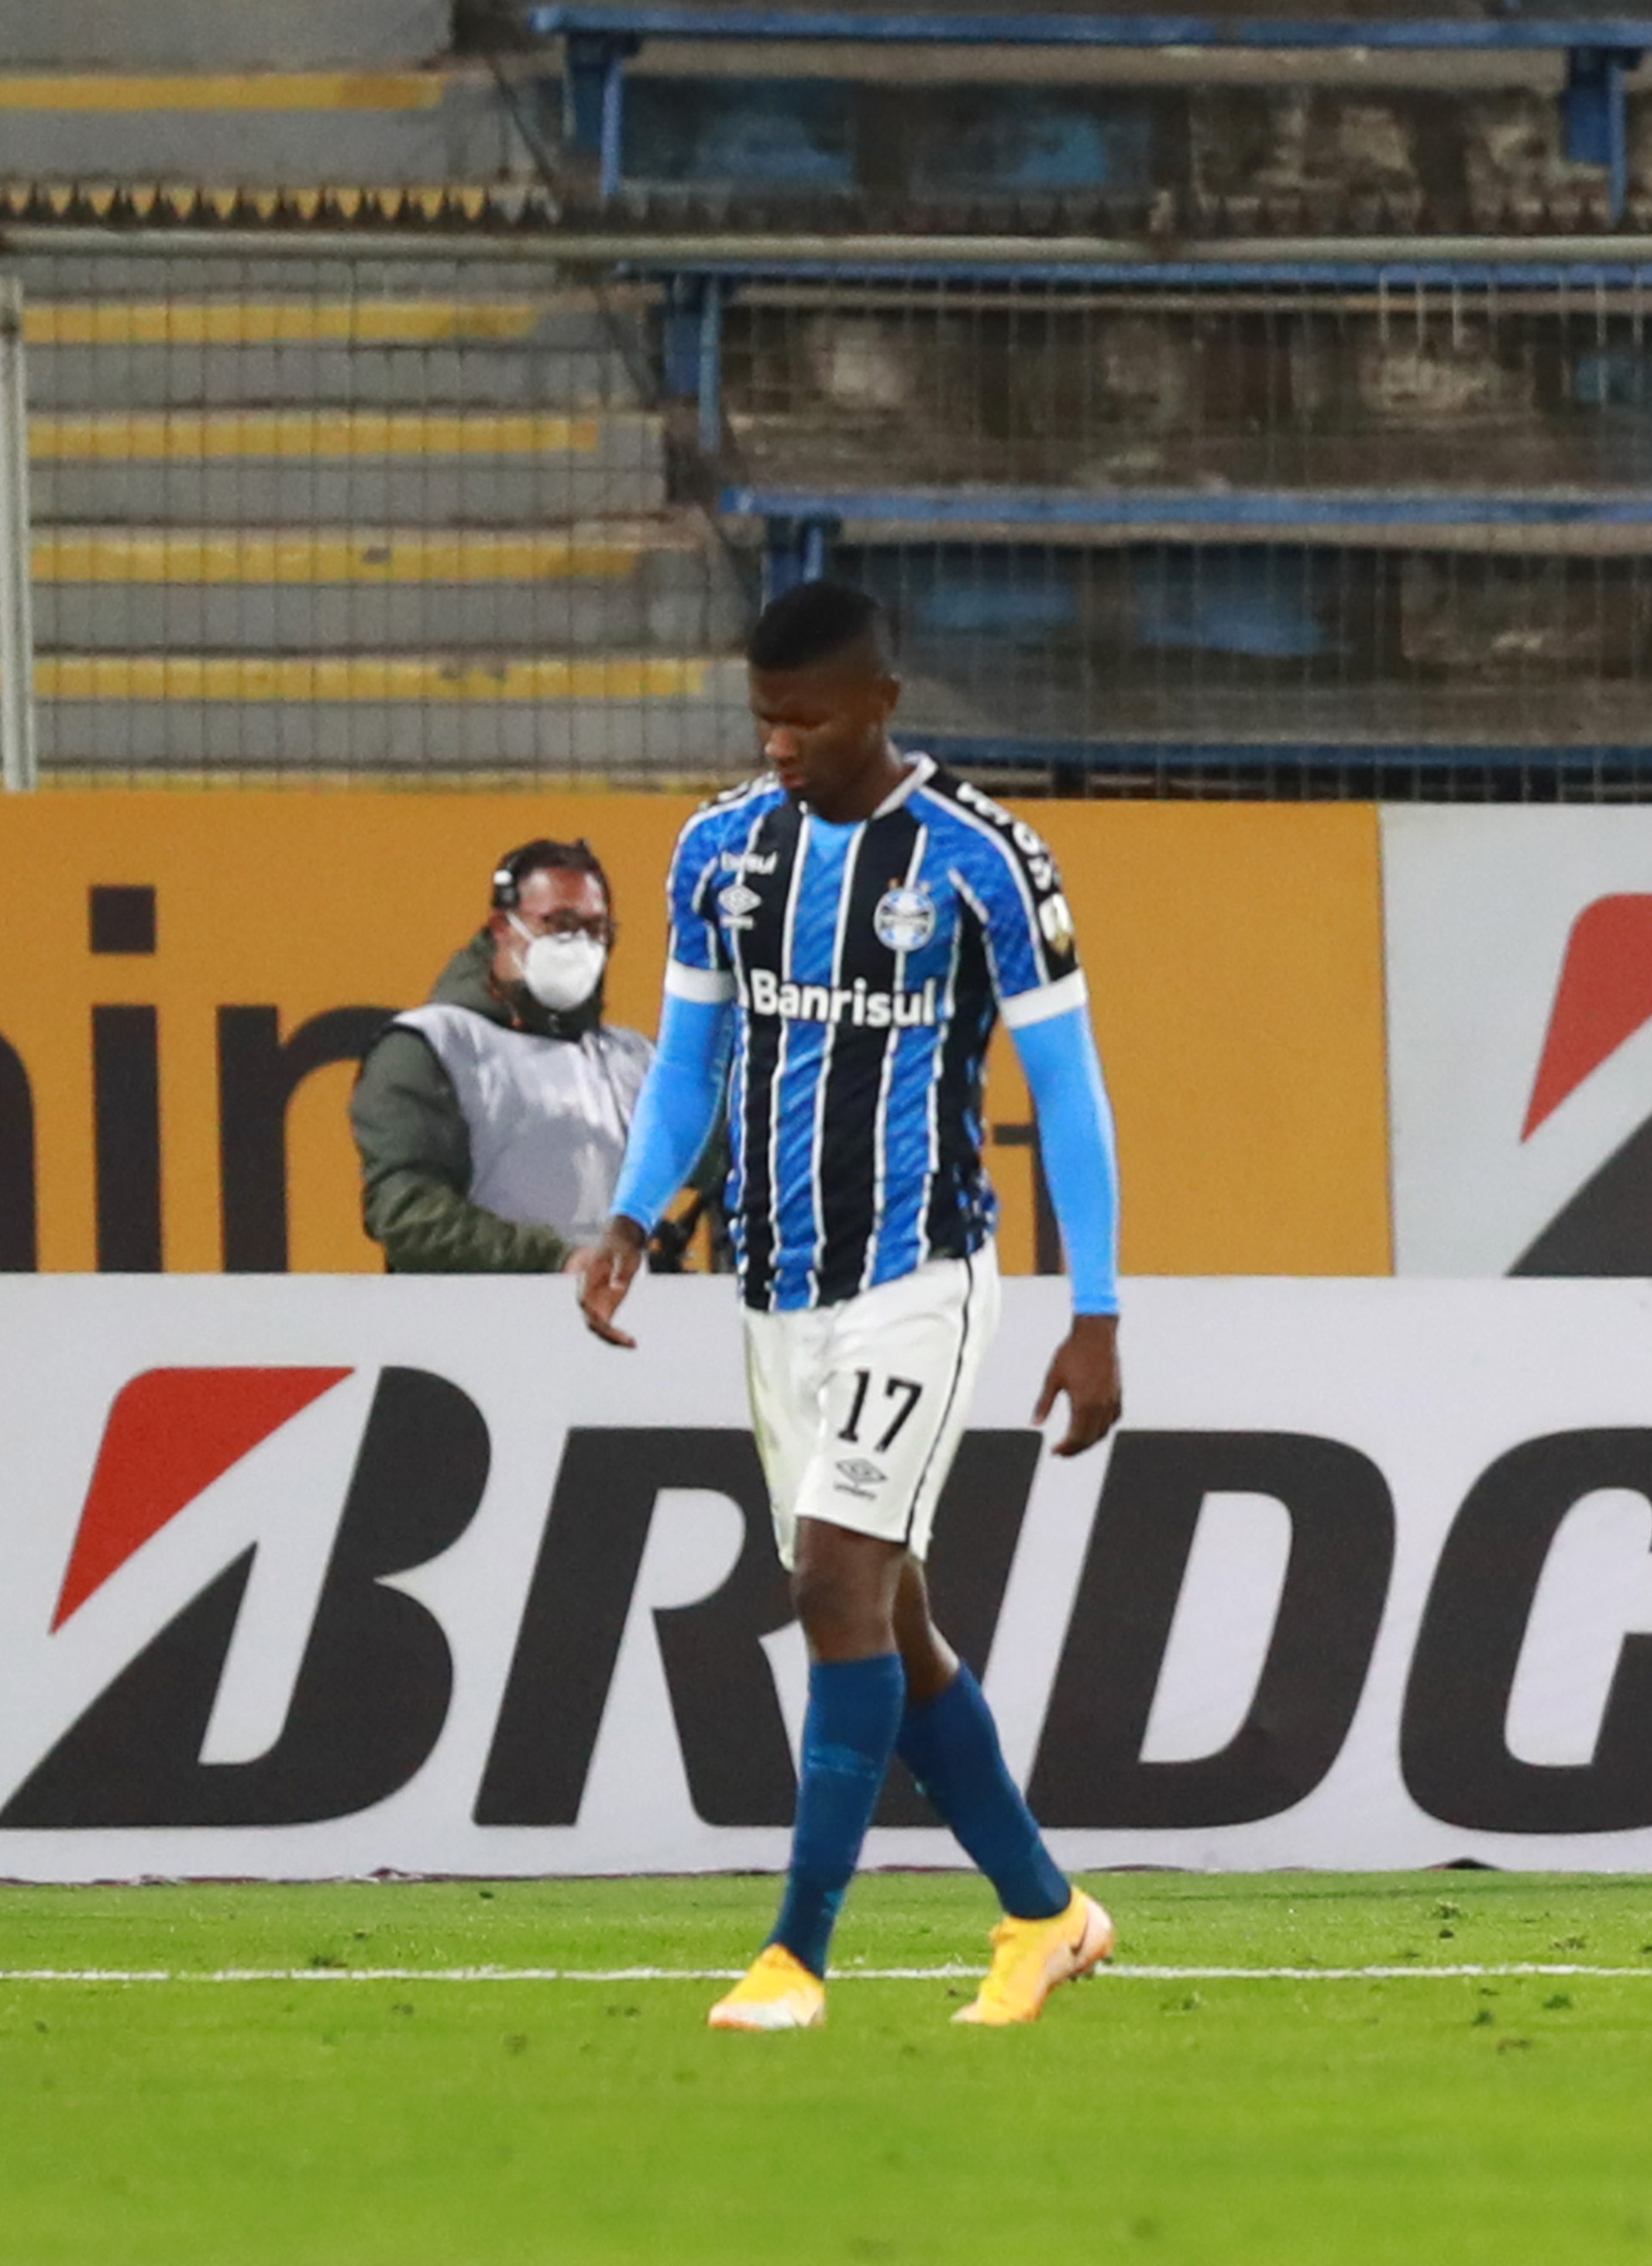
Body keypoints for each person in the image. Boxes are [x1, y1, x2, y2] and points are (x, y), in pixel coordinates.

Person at [573, 579, 1130, 2030]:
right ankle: (1047, 1911)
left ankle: (797, 1954)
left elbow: (1067, 1087)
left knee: (831, 1584)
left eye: (807, 720)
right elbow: (688, 1062)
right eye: (764, 719)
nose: (780, 745)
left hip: (919, 1277)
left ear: (881, 704)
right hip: (776, 1291)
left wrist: (1098, 1311)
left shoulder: (984, 859)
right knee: (895, 1620)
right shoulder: (721, 851)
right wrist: (632, 1213)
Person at [351, 840, 648, 1272]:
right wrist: (554, 1261)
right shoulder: (431, 1047)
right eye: (560, 923)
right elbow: (407, 1212)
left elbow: (726, 1164)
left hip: (623, 1308)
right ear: (502, 927)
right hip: (473, 1312)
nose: (580, 943)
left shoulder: (632, 1059)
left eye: (595, 928)